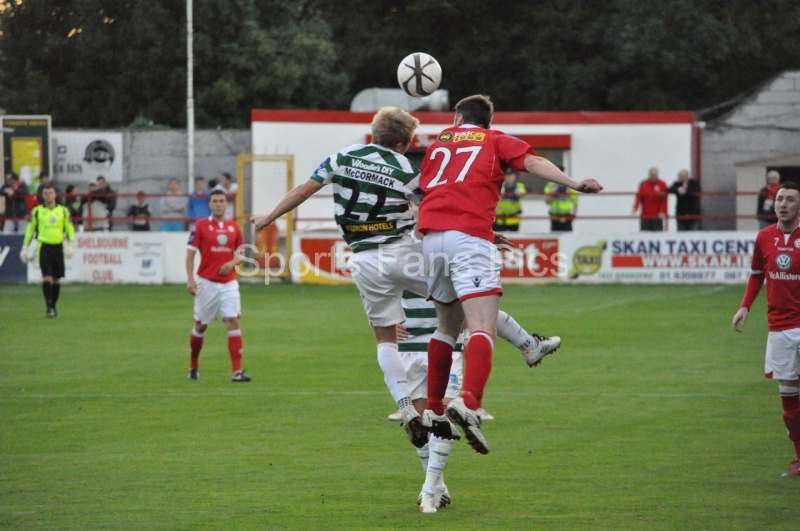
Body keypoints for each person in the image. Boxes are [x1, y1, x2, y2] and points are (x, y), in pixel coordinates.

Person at [417, 94, 602, 455]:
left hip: (432, 239)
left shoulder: (438, 142)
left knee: (445, 327)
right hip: (468, 239)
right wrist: (575, 183)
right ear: (486, 120)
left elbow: (433, 191)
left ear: (457, 117)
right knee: (482, 325)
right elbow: (532, 162)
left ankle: (435, 408)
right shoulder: (494, 138)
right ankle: (469, 401)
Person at [251, 107, 434, 447]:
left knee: (385, 340)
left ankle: (406, 406)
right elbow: (432, 210)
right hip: (402, 252)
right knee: (463, 299)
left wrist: (268, 217)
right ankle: (525, 342)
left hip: (363, 259)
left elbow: (302, 192)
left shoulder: (342, 157)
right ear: (402, 143)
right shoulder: (408, 169)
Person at [733, 181, 800, 478]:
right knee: (789, 403)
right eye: (779, 199)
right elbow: (757, 274)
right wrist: (745, 306)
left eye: (789, 200)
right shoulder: (764, 237)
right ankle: (799, 459)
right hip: (779, 329)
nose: (783, 204)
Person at [186, 189, 250, 382]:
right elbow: (190, 254)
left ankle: (236, 372)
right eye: (215, 201)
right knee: (201, 326)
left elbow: (241, 254)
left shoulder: (234, 227)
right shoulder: (200, 226)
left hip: (229, 283)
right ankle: (194, 365)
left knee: (233, 321)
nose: (218, 204)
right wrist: (190, 279)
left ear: (226, 204)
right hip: (207, 283)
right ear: (210, 204)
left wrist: (231, 264)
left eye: (221, 201)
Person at [21, 186, 75, 318]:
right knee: (47, 278)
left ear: (55, 194)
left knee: (57, 280)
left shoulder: (62, 211)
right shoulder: (38, 212)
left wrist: (71, 243)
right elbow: (30, 229)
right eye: (46, 193)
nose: (48, 195)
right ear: (43, 196)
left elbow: (69, 227)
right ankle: (49, 307)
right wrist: (25, 247)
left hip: (58, 247)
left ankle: (53, 306)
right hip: (44, 247)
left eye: (51, 193)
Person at [633, 167, 667, 231]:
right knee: (645, 233)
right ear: (649, 174)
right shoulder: (643, 183)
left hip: (657, 215)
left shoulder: (662, 184)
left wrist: (662, 211)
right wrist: (635, 207)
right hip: (645, 214)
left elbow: (664, 200)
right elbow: (639, 197)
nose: (654, 176)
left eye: (655, 174)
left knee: (657, 234)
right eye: (652, 174)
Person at [544, 167, 578, 232]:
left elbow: (575, 201)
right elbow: (547, 202)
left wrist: (574, 214)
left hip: (567, 216)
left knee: (568, 237)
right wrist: (551, 193)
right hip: (555, 216)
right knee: (555, 236)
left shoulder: (569, 185)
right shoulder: (550, 185)